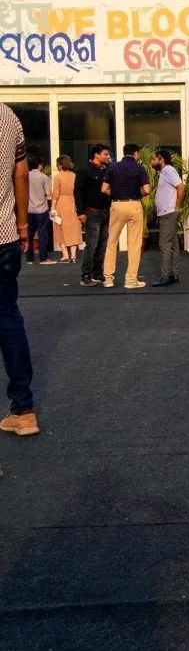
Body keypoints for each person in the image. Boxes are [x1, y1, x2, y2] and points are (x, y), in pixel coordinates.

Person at [0, 104, 38, 437]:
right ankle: (23, 411)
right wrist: (23, 225)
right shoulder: (7, 116)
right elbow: (21, 173)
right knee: (8, 319)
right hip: (4, 236)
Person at [101, 143, 150, 289]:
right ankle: (131, 280)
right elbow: (147, 189)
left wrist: (115, 194)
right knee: (134, 244)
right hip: (134, 204)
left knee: (112, 242)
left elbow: (104, 189)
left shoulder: (113, 167)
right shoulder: (139, 168)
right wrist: (137, 193)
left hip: (117, 204)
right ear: (136, 153)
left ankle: (108, 279)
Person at [75, 144, 112, 287]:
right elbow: (78, 192)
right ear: (96, 155)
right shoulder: (84, 171)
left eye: (108, 155)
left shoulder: (107, 170)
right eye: (105, 154)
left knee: (102, 244)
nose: (108, 157)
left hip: (105, 211)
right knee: (91, 244)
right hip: (91, 211)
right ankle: (86, 275)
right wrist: (80, 212)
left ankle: (97, 273)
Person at [150, 149, 184, 287]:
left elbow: (181, 187)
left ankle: (165, 275)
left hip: (168, 213)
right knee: (173, 244)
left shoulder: (169, 170)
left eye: (153, 159)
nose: (151, 162)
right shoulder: (165, 172)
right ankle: (173, 274)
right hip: (166, 213)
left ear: (161, 159)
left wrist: (177, 206)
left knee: (164, 244)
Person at [52, 156, 82, 264]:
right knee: (73, 228)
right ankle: (73, 255)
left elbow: (55, 195)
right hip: (73, 202)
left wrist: (52, 208)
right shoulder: (74, 176)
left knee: (60, 229)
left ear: (60, 165)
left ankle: (65, 255)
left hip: (61, 203)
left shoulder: (58, 177)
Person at [26, 155, 55, 266]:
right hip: (41, 209)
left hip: (29, 209)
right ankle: (43, 258)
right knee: (43, 233)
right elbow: (48, 194)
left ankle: (30, 258)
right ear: (40, 165)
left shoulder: (26, 176)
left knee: (30, 234)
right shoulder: (44, 177)